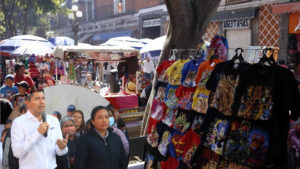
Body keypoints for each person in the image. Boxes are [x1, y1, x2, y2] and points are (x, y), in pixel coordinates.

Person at [11, 89, 68, 169]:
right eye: (37, 99)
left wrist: (62, 148)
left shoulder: (53, 120)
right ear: (27, 103)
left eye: (43, 98)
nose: (42, 102)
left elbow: (59, 152)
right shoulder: (18, 123)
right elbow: (17, 153)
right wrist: (37, 133)